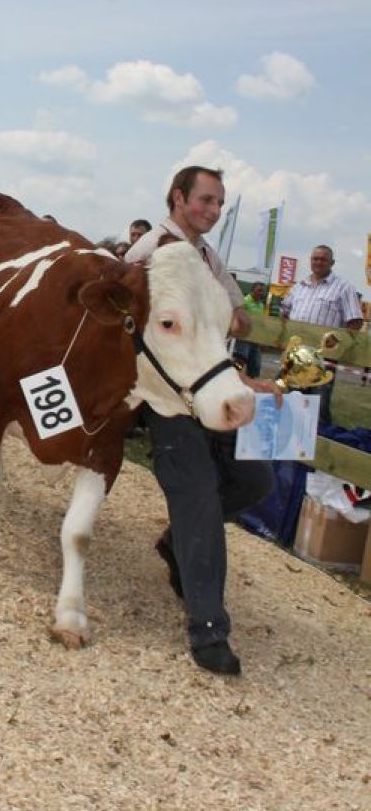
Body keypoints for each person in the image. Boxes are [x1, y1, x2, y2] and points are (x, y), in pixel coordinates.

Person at [126, 165, 279, 676]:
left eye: (218, 203)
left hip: (212, 389)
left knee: (253, 481)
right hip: (170, 398)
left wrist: (231, 329)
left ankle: (174, 544)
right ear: (177, 197)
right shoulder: (148, 254)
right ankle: (208, 630)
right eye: (205, 201)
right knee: (198, 498)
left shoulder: (209, 257)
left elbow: (242, 317)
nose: (213, 211)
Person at [280, 245, 363, 423]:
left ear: (332, 262)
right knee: (293, 403)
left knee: (317, 408)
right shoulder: (299, 287)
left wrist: (338, 342)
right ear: (310, 261)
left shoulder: (344, 288)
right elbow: (284, 312)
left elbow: (355, 322)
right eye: (315, 258)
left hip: (323, 361)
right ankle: (293, 443)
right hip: (297, 359)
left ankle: (320, 445)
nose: (318, 262)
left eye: (323, 259)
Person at [233, 281, 266, 378]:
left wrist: (262, 340)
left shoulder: (261, 305)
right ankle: (233, 377)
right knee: (240, 360)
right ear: (252, 290)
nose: (261, 293)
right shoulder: (245, 301)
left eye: (262, 291)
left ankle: (251, 381)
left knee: (255, 363)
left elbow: (261, 323)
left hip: (255, 339)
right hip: (244, 338)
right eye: (259, 290)